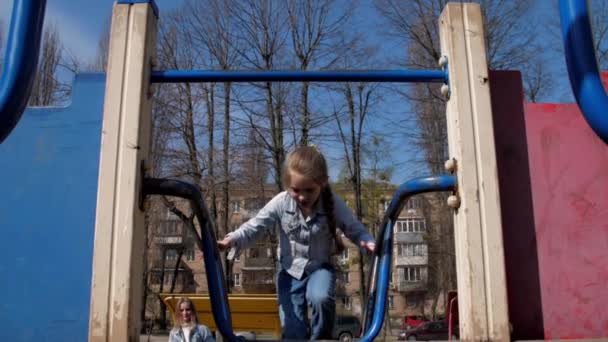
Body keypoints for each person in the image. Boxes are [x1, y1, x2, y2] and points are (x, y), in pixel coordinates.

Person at [218, 146, 376, 340]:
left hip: (319, 269)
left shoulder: (333, 203)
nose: (302, 197)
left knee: (320, 298)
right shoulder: (281, 202)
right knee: (293, 328)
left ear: (323, 184)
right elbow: (255, 226)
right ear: (287, 185)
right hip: (289, 272)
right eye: (296, 190)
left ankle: (322, 337)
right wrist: (231, 239)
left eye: (309, 190)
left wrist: (367, 242)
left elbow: (353, 227)